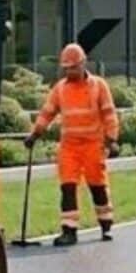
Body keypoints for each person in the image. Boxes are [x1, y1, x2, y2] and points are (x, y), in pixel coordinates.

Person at [25, 43, 120, 246]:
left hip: (93, 145)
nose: (69, 71)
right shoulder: (60, 89)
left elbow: (109, 114)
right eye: (66, 68)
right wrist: (35, 134)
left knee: (97, 186)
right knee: (67, 187)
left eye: (73, 67)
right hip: (70, 146)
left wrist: (111, 140)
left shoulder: (98, 85)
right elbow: (47, 112)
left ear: (83, 64)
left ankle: (106, 224)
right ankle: (69, 230)